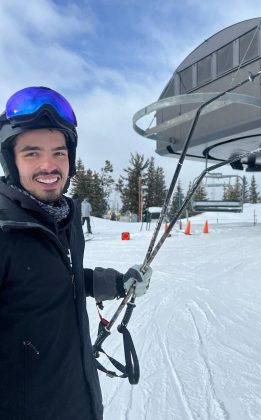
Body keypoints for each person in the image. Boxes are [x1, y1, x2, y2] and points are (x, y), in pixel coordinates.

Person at [0, 86, 152, 420]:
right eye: (32, 153)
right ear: (11, 161)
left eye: (59, 152)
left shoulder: (64, 218)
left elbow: (61, 279)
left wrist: (115, 283)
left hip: (79, 400)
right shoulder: (5, 230)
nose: (49, 165)